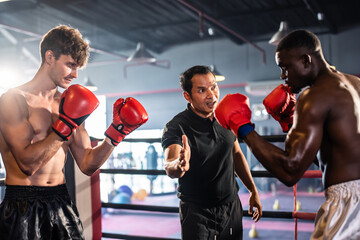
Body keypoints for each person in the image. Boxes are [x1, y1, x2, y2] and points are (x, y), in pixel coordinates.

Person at [0, 25, 148, 240]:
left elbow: (87, 164)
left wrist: (116, 133)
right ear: (50, 57)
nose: (75, 74)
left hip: (61, 202)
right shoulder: (13, 100)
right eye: (70, 65)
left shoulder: (69, 103)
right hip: (22, 206)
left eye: (78, 67)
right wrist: (65, 124)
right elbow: (27, 164)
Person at [214, 30, 360, 239]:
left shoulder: (314, 96)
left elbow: (290, 171)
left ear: (305, 60)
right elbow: (338, 154)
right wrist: (291, 123)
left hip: (349, 205)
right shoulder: (354, 84)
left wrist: (243, 128)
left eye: (285, 67)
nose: (283, 76)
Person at [162, 65, 262, 239]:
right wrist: (179, 164)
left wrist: (253, 190)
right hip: (197, 212)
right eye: (202, 90)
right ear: (187, 96)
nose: (211, 95)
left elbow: (236, 153)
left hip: (231, 207)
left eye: (213, 87)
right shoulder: (177, 125)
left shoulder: (225, 116)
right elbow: (170, 163)